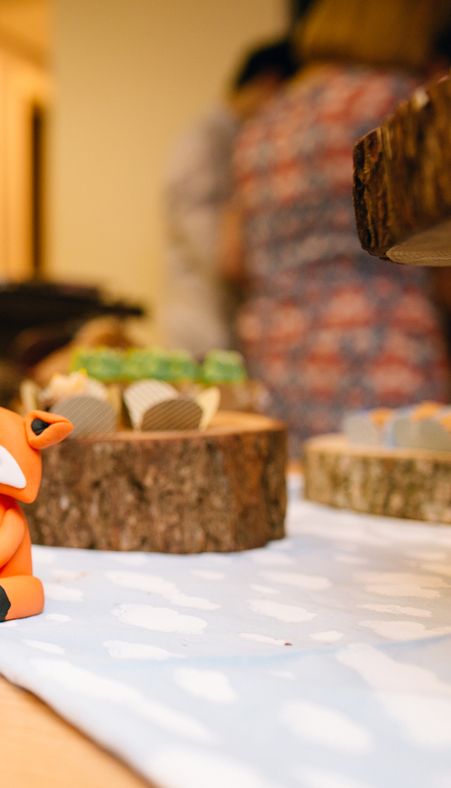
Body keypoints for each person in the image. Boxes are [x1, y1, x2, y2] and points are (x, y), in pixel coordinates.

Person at [227, 0, 451, 452]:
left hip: (278, 355)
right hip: (385, 356)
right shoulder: (404, 102)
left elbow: (232, 258)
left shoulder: (267, 119)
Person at [162, 41, 296, 358]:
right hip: (203, 331)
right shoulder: (204, 144)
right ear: (270, 83)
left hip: (226, 327)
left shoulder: (233, 138)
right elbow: (218, 255)